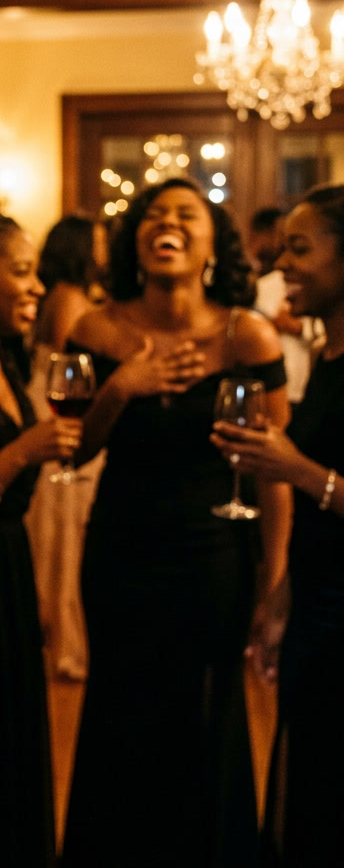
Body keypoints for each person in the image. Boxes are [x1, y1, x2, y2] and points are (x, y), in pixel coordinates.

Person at [61, 177, 291, 867]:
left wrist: (275, 582)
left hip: (215, 553)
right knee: (120, 712)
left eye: (185, 215)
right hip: (121, 552)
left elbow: (273, 471)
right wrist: (122, 388)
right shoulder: (95, 328)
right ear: (137, 239)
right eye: (154, 215)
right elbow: (75, 448)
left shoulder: (243, 332)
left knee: (207, 715)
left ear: (210, 243)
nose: (167, 223)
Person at [0, 208, 83, 867]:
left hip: (8, 572)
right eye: (21, 272)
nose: (36, 287)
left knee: (15, 740)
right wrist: (23, 453)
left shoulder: (4, 360)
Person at [212, 184, 344, 866]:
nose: (281, 263)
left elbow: (318, 479)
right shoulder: (327, 357)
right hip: (319, 608)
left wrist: (298, 469)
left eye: (300, 248)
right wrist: (282, 594)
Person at [25, 214, 108, 682]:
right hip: (60, 414)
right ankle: (65, 644)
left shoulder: (64, 295)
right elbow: (69, 375)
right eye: (98, 241)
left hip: (50, 406)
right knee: (65, 532)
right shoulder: (71, 301)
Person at [248, 206, 324, 407]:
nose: (282, 262)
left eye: (299, 249)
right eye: (284, 247)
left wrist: (299, 328)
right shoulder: (263, 287)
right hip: (278, 391)